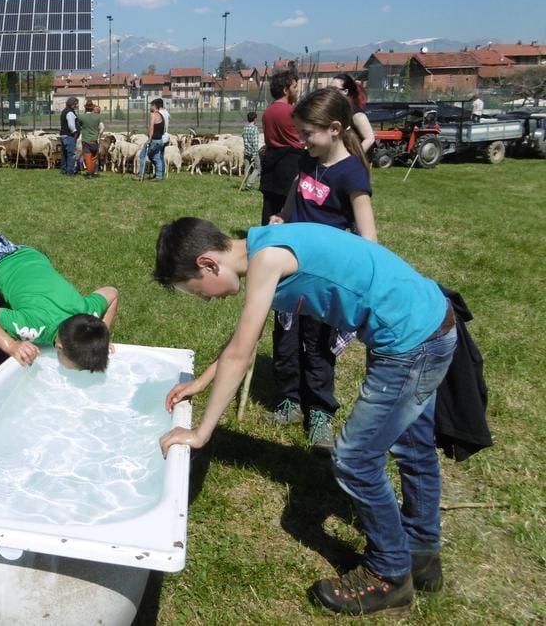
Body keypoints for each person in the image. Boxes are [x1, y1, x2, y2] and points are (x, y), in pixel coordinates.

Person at [154, 217, 456, 616]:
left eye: (198, 292)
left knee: (355, 459)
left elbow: (241, 356)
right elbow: (243, 340)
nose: (206, 300)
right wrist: (203, 381)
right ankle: (421, 554)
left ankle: (389, 574)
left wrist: (201, 432)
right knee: (413, 447)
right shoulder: (264, 247)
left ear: (208, 264)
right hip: (429, 321)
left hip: (409, 344)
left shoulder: (268, 259)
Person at [265, 88, 378, 454]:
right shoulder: (307, 160)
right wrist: (282, 218)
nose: (302, 140)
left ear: (334, 129)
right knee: (286, 337)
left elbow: (368, 236)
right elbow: (294, 195)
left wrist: (359, 276)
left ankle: (320, 412)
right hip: (292, 268)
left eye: (307, 133)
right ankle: (290, 400)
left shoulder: (352, 173)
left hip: (325, 278)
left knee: (317, 344)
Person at [0, 233, 119, 376]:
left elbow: (112, 292)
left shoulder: (89, 311)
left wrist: (99, 334)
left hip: (31, 257)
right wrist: (11, 346)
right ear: (59, 347)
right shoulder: (34, 327)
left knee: (7, 314)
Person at [260, 70, 304, 225]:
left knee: (269, 210)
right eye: (294, 87)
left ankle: (266, 237)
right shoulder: (293, 112)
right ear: (286, 90)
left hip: (271, 164)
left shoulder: (267, 112)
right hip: (291, 164)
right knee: (291, 211)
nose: (297, 90)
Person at [329, 73, 376, 154]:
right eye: (329, 88)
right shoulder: (336, 110)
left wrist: (355, 157)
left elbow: (370, 139)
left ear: (345, 91)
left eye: (334, 89)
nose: (330, 92)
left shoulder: (357, 114)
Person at [138, 98, 169, 181]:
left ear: (155, 106)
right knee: (155, 157)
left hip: (154, 140)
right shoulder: (161, 115)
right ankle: (159, 176)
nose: (150, 107)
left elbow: (151, 128)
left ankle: (141, 174)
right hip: (159, 140)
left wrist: (149, 139)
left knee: (142, 155)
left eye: (151, 105)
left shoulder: (153, 115)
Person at [80, 100, 104, 177]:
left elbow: (78, 126)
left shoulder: (81, 117)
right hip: (94, 140)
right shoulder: (97, 117)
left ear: (85, 108)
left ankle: (89, 172)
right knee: (94, 157)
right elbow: (102, 127)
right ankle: (92, 171)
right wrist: (99, 135)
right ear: (93, 108)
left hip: (85, 140)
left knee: (87, 156)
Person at [59, 96, 80, 175]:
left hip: (63, 135)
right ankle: (70, 172)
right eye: (76, 104)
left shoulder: (64, 111)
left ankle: (64, 170)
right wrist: (75, 131)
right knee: (71, 154)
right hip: (69, 135)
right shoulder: (70, 112)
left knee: (65, 154)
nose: (77, 105)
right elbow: (71, 124)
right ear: (73, 104)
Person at [241, 111, 261, 190]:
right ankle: (249, 183)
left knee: (247, 168)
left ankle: (246, 184)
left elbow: (244, 140)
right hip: (254, 152)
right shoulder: (255, 128)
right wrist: (254, 154)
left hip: (246, 151)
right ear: (255, 119)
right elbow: (255, 143)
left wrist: (248, 149)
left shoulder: (245, 128)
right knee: (258, 168)